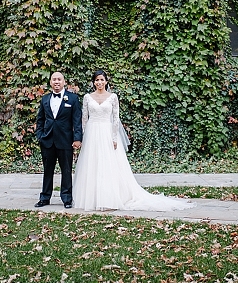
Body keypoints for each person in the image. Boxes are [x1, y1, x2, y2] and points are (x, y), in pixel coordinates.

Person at [73, 70, 195, 212]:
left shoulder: (113, 97)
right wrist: (82, 136)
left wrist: (114, 138)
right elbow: (84, 118)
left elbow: (115, 119)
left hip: (107, 132)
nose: (99, 82)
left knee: (108, 164)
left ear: (106, 81)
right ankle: (92, 198)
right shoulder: (87, 97)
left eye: (101, 79)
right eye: (96, 80)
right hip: (92, 133)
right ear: (93, 82)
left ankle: (109, 198)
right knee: (92, 164)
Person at [34, 71, 82, 208]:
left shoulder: (72, 99)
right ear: (50, 82)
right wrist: (40, 136)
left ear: (64, 82)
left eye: (59, 79)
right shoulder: (45, 99)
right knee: (47, 170)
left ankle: (67, 198)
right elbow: (40, 119)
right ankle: (45, 197)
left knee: (66, 170)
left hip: (65, 140)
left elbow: (77, 120)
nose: (56, 82)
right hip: (47, 141)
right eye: (54, 79)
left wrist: (77, 138)